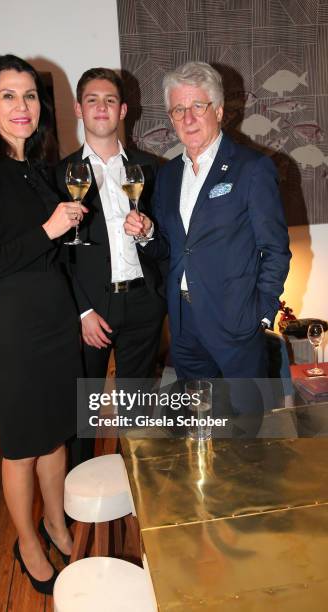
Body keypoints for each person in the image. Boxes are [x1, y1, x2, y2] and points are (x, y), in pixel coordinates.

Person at [0, 54, 84, 594]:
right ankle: (27, 542)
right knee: (21, 446)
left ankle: (55, 522)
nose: (21, 106)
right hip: (13, 326)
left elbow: (55, 250)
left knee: (55, 436)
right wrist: (49, 228)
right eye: (8, 95)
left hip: (55, 318)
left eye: (30, 95)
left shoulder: (43, 168)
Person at [125, 62, 291, 396]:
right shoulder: (168, 175)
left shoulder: (252, 168)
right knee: (200, 426)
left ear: (217, 110)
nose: (188, 118)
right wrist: (146, 234)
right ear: (171, 118)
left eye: (197, 107)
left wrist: (261, 315)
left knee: (247, 430)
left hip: (237, 321)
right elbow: (172, 248)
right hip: (184, 324)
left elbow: (275, 249)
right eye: (178, 109)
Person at [54, 68, 167, 460]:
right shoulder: (59, 174)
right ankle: (79, 496)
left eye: (109, 100)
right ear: (78, 110)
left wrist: (149, 233)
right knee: (82, 414)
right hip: (89, 309)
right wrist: (81, 310)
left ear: (123, 111)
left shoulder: (152, 169)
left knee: (137, 411)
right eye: (92, 100)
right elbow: (56, 257)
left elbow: (167, 246)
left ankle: (137, 494)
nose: (101, 107)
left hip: (142, 304)